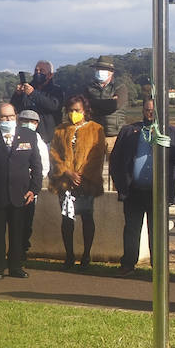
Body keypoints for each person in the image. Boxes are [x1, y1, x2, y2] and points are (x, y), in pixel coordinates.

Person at [110, 99, 175, 277]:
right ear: (143, 111)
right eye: (147, 110)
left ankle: (159, 266)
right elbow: (115, 159)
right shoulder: (129, 131)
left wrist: (166, 146)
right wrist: (120, 183)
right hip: (134, 190)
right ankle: (128, 264)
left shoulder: (173, 132)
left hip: (159, 192)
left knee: (157, 231)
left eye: (154, 110)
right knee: (131, 229)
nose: (150, 113)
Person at [0, 102, 41, 279]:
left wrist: (34, 190)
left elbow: (36, 166)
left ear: (16, 117)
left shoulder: (29, 135)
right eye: (4, 117)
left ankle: (16, 267)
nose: (8, 120)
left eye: (11, 116)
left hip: (21, 194)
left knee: (18, 233)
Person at [49, 95, 106, 270]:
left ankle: (86, 255)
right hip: (65, 183)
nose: (74, 113)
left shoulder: (96, 129)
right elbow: (54, 154)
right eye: (71, 110)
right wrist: (67, 172)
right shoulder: (60, 130)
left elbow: (97, 156)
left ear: (85, 111)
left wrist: (81, 175)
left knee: (87, 217)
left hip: (86, 183)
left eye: (77, 110)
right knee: (67, 219)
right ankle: (69, 255)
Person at [16, 110, 50, 255]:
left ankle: (22, 249)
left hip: (29, 187)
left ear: (37, 124)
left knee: (26, 221)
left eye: (33, 121)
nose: (28, 124)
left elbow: (43, 166)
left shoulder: (37, 140)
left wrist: (33, 185)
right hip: (11, 185)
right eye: (24, 120)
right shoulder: (12, 136)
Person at [11, 60, 64, 143]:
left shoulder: (56, 90)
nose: (38, 73)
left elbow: (54, 106)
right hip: (26, 135)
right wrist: (18, 95)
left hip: (49, 136)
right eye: (36, 71)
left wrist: (33, 94)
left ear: (50, 75)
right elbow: (14, 109)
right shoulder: (27, 89)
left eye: (42, 71)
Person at [86, 57, 128, 141]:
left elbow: (115, 106)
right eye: (98, 69)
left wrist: (93, 104)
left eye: (103, 69)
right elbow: (85, 106)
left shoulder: (120, 87)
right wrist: (108, 102)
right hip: (94, 135)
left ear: (111, 72)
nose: (99, 71)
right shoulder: (88, 88)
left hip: (115, 135)